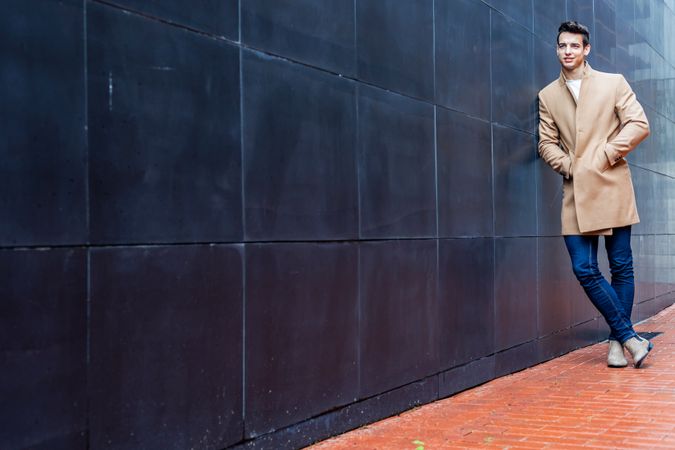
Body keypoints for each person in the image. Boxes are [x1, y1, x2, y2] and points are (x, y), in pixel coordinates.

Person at [538, 21, 652, 368]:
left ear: (586, 49)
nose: (567, 51)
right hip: (575, 192)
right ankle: (630, 336)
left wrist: (604, 154)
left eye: (574, 46)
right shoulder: (547, 95)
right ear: (557, 50)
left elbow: (639, 124)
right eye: (562, 46)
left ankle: (618, 344)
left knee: (620, 266)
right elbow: (545, 143)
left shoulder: (613, 83)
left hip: (611, 186)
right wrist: (569, 166)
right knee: (584, 268)